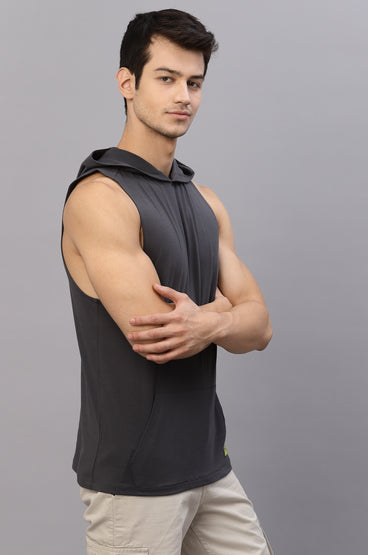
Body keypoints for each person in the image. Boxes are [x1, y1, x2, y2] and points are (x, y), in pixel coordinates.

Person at [61, 8, 273, 555]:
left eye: (194, 83)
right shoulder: (100, 198)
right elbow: (160, 334)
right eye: (166, 78)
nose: (184, 96)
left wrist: (210, 321)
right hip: (135, 481)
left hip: (209, 466)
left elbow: (260, 327)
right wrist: (224, 313)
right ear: (127, 82)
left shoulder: (205, 201)